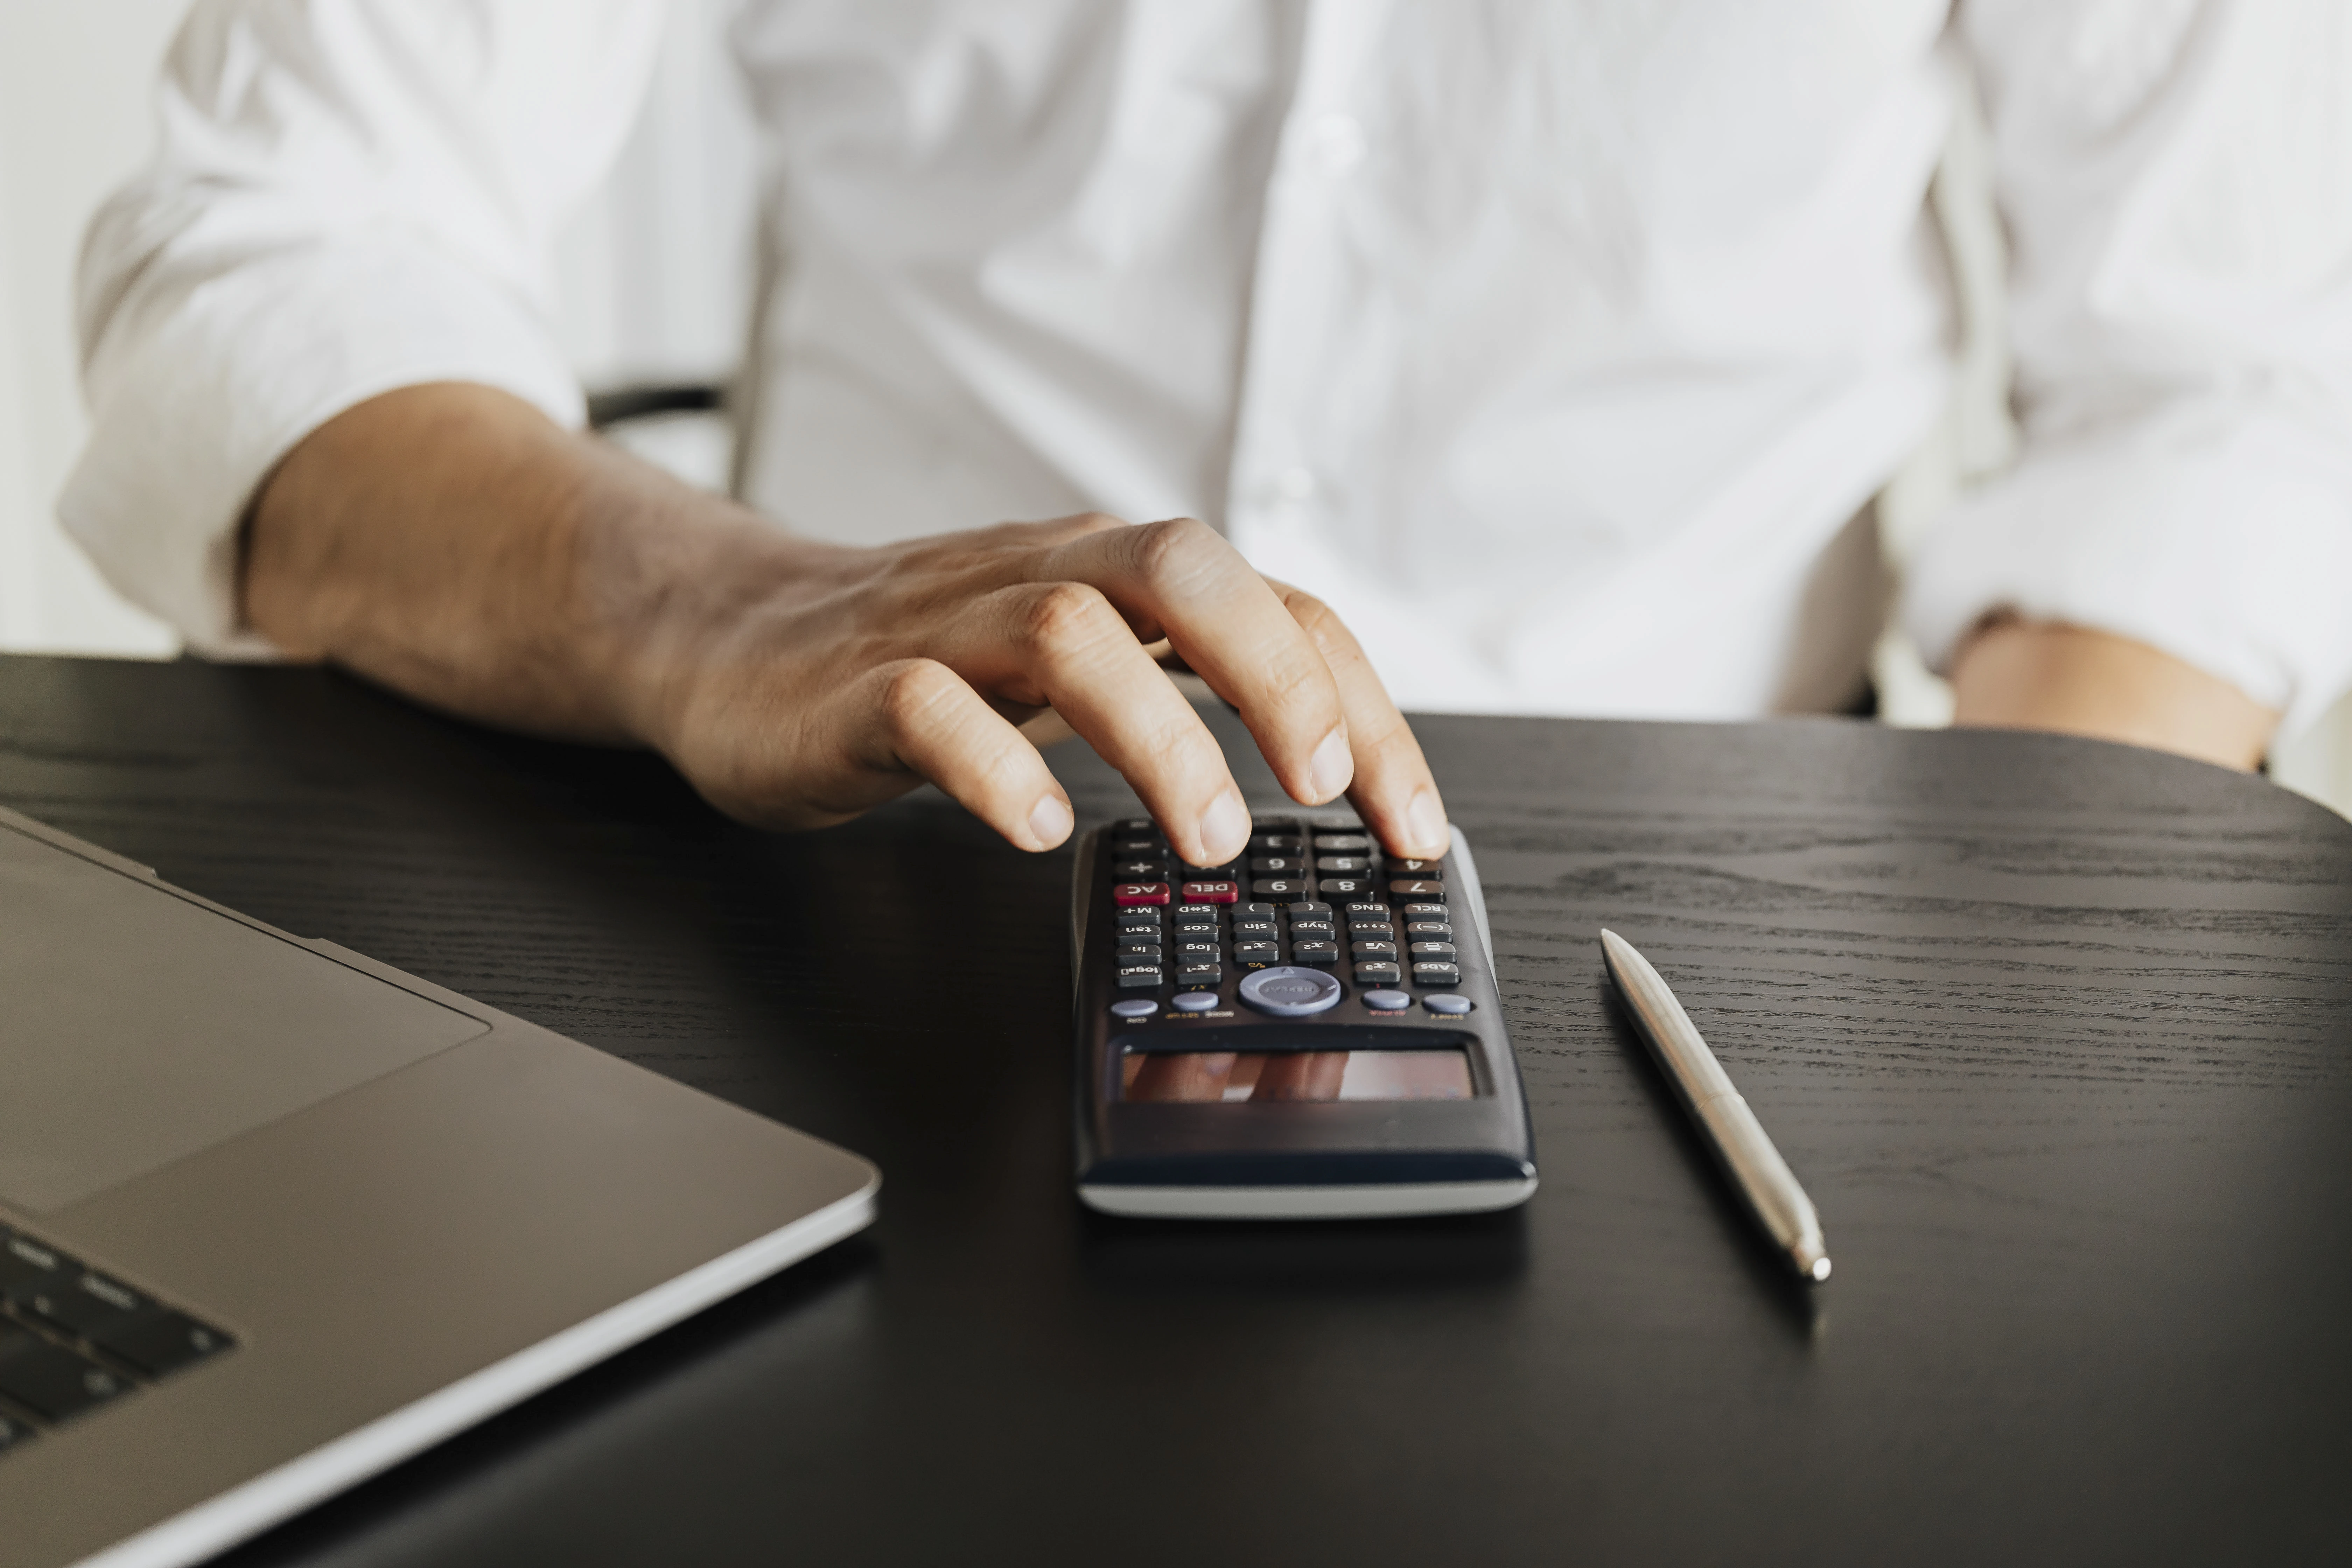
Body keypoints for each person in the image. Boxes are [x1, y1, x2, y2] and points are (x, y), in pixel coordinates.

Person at [63, 1, 2352, 870]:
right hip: (834, 872)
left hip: (1710, 913)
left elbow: (2215, 386)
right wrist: (724, 604)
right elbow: (265, 248)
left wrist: (2022, 981)